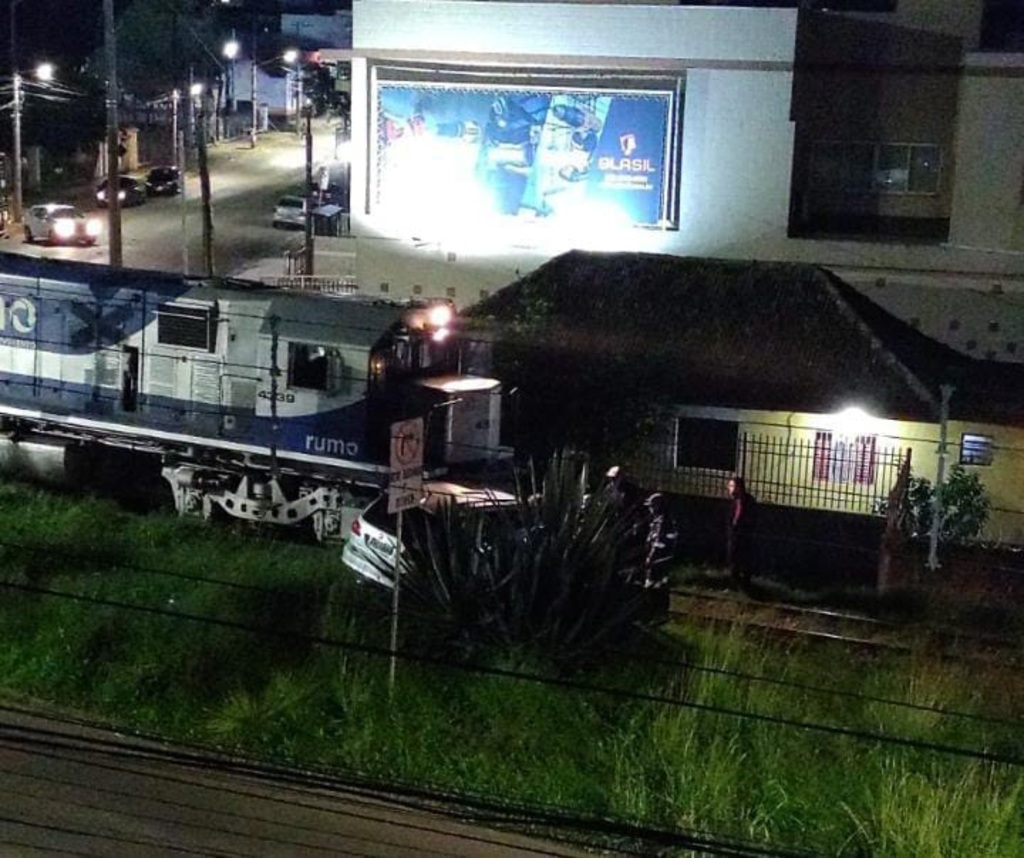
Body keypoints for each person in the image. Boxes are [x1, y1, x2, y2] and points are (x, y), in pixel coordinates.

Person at [726, 475, 757, 587]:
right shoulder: (734, 501)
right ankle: (735, 581)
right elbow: (731, 517)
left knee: (744, 558)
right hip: (734, 534)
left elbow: (752, 518)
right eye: (729, 486)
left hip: (744, 534)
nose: (730, 489)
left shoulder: (748, 501)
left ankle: (745, 582)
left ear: (739, 487)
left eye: (732, 486)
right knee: (732, 556)